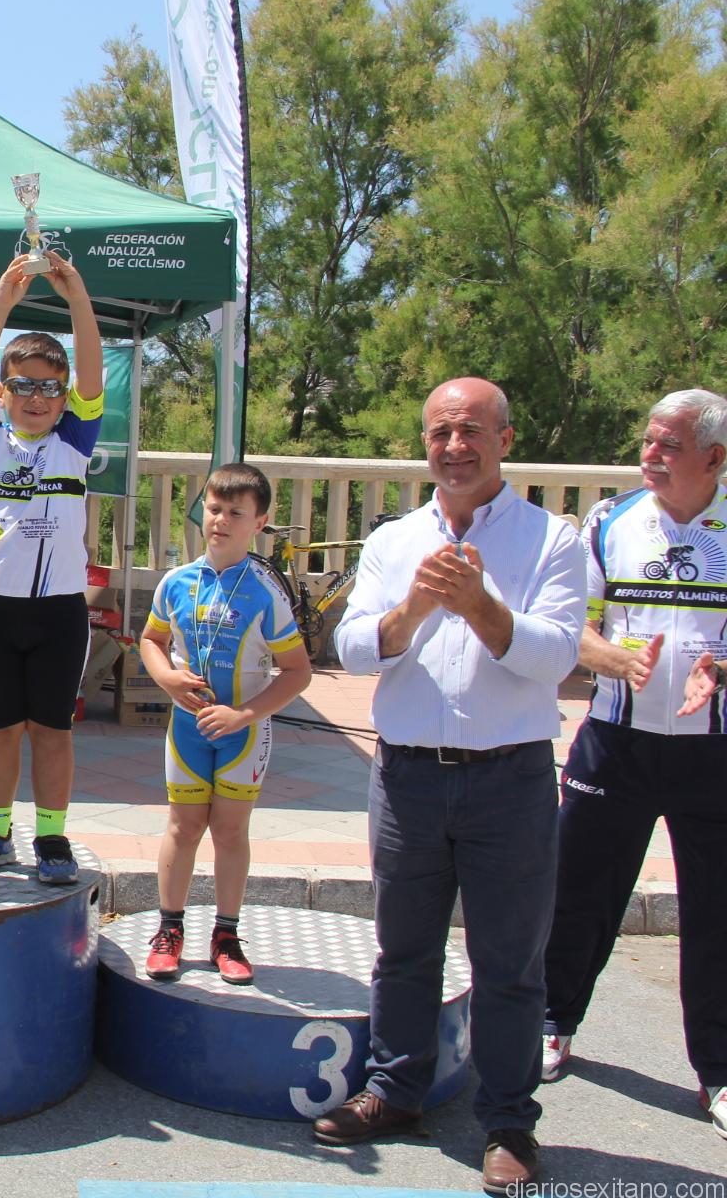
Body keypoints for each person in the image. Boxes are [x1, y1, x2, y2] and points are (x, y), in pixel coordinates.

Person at [319, 377, 584, 1196]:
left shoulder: (552, 538)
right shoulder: (395, 539)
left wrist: (480, 608)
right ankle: (395, 1090)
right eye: (440, 432)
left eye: (471, 430)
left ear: (506, 440)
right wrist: (411, 612)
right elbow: (351, 647)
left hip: (510, 780)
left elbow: (557, 654)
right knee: (403, 951)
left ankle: (507, 1122)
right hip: (406, 778)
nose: (455, 446)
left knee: (509, 963)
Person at [539, 388, 727, 1137]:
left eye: (669, 445)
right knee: (577, 891)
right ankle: (553, 1022)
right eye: (648, 441)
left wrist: (721, 670)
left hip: (714, 750)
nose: (650, 455)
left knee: (716, 912)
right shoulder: (609, 522)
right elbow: (572, 625)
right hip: (616, 743)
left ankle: (718, 1070)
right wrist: (613, 659)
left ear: (714, 457)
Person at [0, 254, 108, 886]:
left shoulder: (75, 441)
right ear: (2, 395)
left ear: (66, 399)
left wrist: (77, 297)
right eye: (23, 387)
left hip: (59, 612)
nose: (37, 398)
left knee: (52, 732)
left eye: (50, 388)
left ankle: (52, 837)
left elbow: (91, 368)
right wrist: (1, 301)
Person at [137, 464, 313, 982]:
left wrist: (244, 714)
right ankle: (169, 929)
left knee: (230, 831)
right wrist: (166, 679)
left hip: (243, 732)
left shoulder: (265, 592)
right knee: (183, 825)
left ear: (259, 522)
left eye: (236, 513)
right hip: (187, 730)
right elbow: (150, 640)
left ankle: (227, 934)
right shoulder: (176, 582)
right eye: (214, 509)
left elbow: (298, 671)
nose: (221, 520)